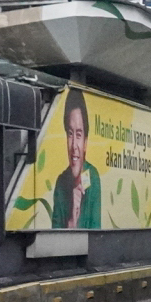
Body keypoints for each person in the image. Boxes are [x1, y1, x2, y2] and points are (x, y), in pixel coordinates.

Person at [51, 88, 102, 229]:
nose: (74, 145)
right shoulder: (61, 183)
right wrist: (72, 220)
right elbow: (54, 235)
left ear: (85, 142)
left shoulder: (92, 177)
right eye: (70, 134)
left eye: (78, 135)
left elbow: (95, 232)